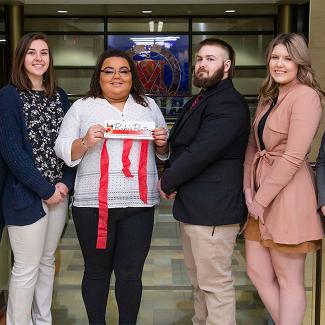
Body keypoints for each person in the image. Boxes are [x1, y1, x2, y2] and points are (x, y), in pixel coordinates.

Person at [55, 49, 168, 325]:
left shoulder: (148, 106)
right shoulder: (82, 106)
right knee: (96, 271)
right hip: (93, 205)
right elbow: (61, 148)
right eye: (109, 70)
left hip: (139, 204)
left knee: (131, 274)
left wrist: (163, 144)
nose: (117, 76)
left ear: (132, 76)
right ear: (99, 75)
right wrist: (84, 142)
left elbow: (163, 153)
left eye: (124, 70)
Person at [159, 38, 250, 325]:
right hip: (195, 207)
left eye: (210, 59)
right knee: (199, 282)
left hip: (213, 210)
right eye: (199, 59)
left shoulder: (229, 103)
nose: (201, 64)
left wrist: (167, 180)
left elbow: (201, 151)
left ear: (227, 66)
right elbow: (185, 146)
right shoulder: (203, 98)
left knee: (215, 285)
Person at [243, 33, 325, 325]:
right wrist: (248, 190)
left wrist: (261, 199)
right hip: (261, 193)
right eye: (275, 57)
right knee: (256, 270)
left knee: (288, 278)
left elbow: (292, 157)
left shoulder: (307, 96)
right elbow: (254, 145)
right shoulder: (270, 95)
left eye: (288, 58)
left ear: (300, 62)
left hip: (288, 194)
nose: (279, 64)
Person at [0, 32, 74, 325]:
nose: (39, 58)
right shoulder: (8, 96)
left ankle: (43, 321)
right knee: (27, 267)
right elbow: (10, 150)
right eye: (32, 52)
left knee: (46, 263)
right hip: (24, 194)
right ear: (21, 58)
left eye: (44, 52)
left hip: (58, 193)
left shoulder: (60, 96)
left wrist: (65, 183)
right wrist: (44, 189)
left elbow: (70, 144)